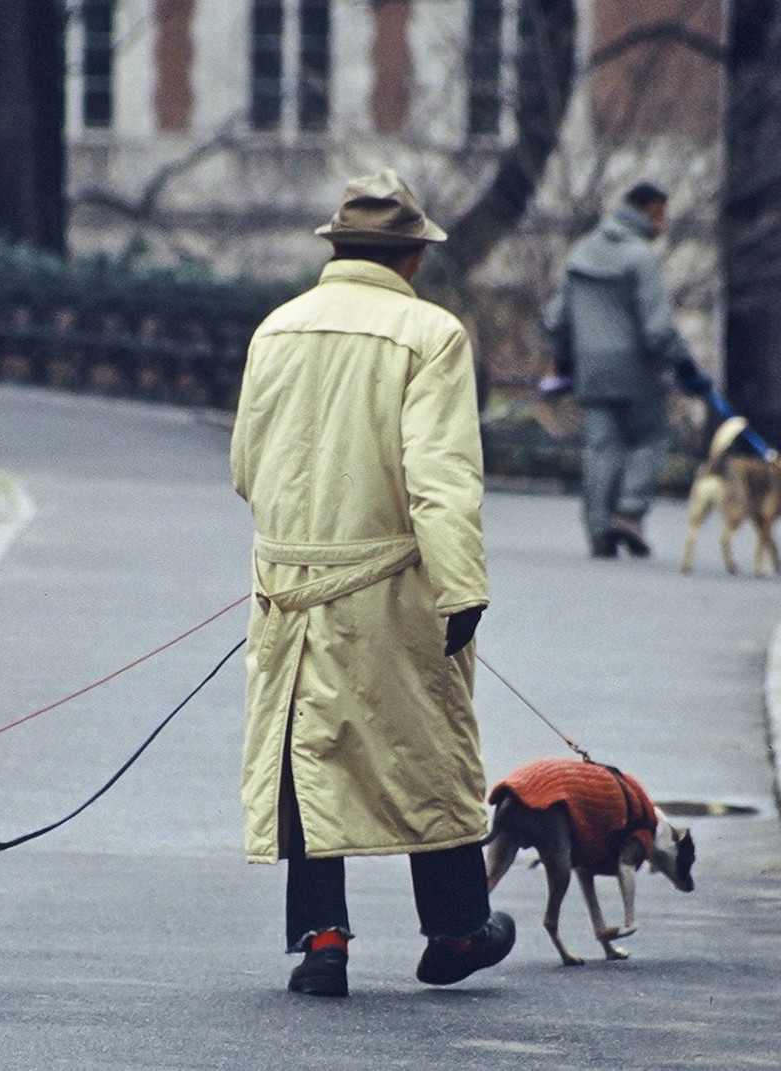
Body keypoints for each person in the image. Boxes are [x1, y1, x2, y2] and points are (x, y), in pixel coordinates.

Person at [230, 169, 515, 998]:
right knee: (428, 750)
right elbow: (441, 477)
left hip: (288, 582)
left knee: (306, 755)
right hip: (392, 579)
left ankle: (323, 941)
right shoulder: (431, 335)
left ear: (338, 248)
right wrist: (463, 588)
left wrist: (299, 540)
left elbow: (246, 467)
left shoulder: (276, 328)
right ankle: (458, 928)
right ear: (413, 258)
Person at [542, 181, 711, 559]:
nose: (664, 225)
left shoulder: (582, 250)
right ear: (650, 210)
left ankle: (599, 528)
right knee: (651, 438)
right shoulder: (642, 257)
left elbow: (556, 319)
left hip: (591, 369)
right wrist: (685, 367)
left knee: (602, 447)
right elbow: (657, 328)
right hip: (636, 370)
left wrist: (566, 362)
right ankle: (629, 513)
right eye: (662, 216)